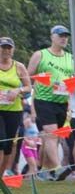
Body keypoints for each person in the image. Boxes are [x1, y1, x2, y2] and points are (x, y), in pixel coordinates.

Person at [26, 25, 75, 180]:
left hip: (62, 101)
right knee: (51, 134)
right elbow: (27, 76)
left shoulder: (70, 57)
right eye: (60, 35)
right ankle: (58, 168)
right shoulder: (40, 55)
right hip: (43, 100)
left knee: (54, 137)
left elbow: (74, 78)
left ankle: (46, 171)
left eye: (66, 36)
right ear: (52, 37)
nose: (64, 38)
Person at [0, 37, 32, 176]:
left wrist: (18, 90)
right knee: (1, 141)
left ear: (13, 50)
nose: (6, 50)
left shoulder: (19, 67)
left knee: (8, 145)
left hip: (14, 110)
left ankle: (1, 176)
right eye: (3, 47)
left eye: (9, 48)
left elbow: (28, 87)